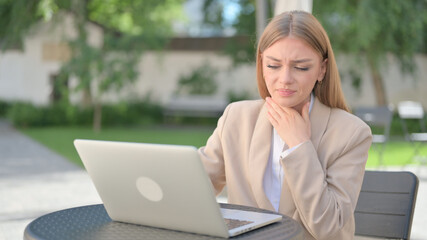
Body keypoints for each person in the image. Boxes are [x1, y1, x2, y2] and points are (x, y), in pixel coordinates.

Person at [198, 11, 372, 240]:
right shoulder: (236, 118)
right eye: (273, 65)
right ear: (261, 64)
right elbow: (194, 188)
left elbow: (330, 229)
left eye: (300, 67)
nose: (285, 79)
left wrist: (300, 146)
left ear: (322, 69)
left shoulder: (351, 134)